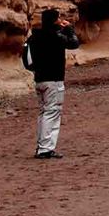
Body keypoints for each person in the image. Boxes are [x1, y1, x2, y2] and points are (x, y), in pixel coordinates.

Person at [22, 8, 81, 159]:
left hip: (40, 79)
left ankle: (42, 145)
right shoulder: (56, 36)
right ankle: (45, 149)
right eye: (58, 18)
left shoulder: (34, 37)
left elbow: (27, 59)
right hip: (53, 80)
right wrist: (68, 29)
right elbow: (74, 43)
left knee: (43, 112)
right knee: (52, 112)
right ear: (55, 20)